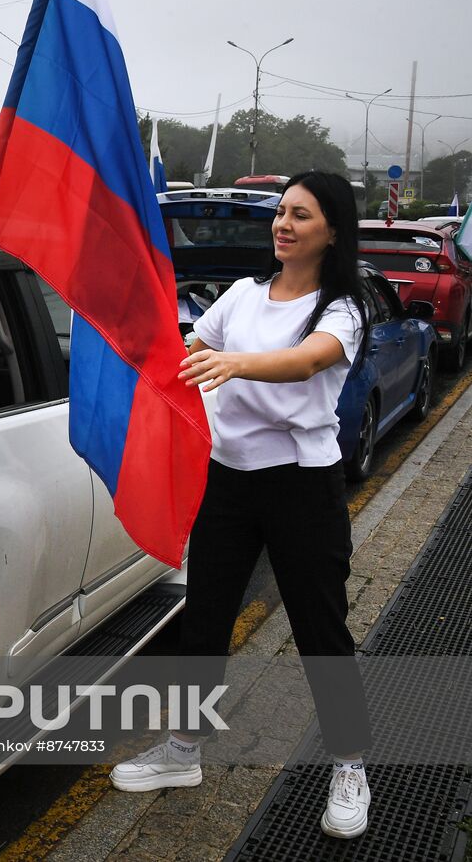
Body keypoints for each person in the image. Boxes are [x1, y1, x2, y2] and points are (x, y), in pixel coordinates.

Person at [109, 171, 374, 839]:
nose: (283, 224)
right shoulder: (242, 295)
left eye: (301, 215)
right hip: (229, 481)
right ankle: (183, 749)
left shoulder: (342, 307)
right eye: (281, 212)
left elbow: (309, 362)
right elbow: (191, 350)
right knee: (203, 621)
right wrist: (138, 342)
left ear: (332, 231)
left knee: (321, 630)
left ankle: (350, 765)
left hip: (303, 486)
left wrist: (236, 364)